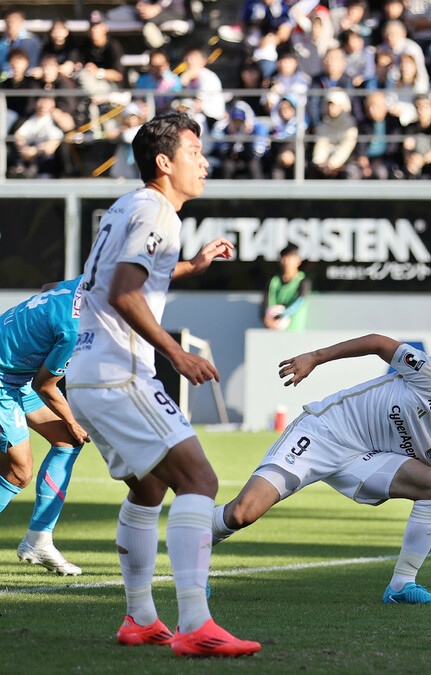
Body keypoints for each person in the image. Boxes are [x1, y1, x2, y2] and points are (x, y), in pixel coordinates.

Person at [65, 113, 261, 656]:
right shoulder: (158, 211)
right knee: (200, 479)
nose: (204, 161)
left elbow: (120, 276)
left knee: (149, 488)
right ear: (164, 162)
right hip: (119, 373)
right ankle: (196, 624)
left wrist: (191, 266)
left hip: (86, 372)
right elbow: (125, 291)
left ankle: (141, 619)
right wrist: (176, 353)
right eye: (194, 150)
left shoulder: (130, 205)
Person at [211, 334, 431, 604]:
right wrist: (315, 357)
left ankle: (401, 585)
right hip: (325, 432)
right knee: (243, 513)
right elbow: (378, 343)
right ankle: (195, 539)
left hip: (362, 460)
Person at [0, 278, 89, 576]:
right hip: (4, 379)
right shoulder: (74, 328)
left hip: (17, 375)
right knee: (19, 471)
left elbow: (48, 288)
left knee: (67, 441)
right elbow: (45, 385)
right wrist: (74, 421)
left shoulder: (82, 284)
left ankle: (39, 539)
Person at [263, 244, 311, 330]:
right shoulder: (273, 281)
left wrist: (281, 316)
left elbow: (299, 302)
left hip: (295, 329)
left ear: (298, 261)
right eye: (285, 258)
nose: (287, 262)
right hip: (273, 329)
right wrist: (267, 317)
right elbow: (267, 300)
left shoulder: (303, 281)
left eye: (291, 258)